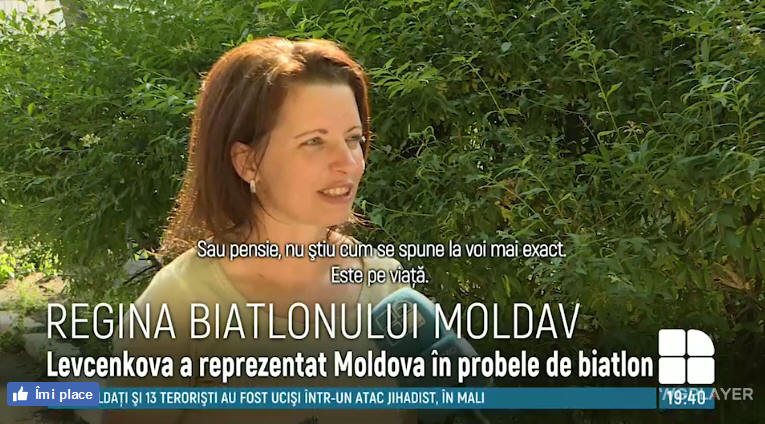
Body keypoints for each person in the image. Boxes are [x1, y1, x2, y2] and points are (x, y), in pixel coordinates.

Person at [103, 37, 414, 424]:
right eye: (314, 141)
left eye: (353, 139)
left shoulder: (386, 286)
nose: (348, 163)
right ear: (247, 162)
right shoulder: (177, 304)